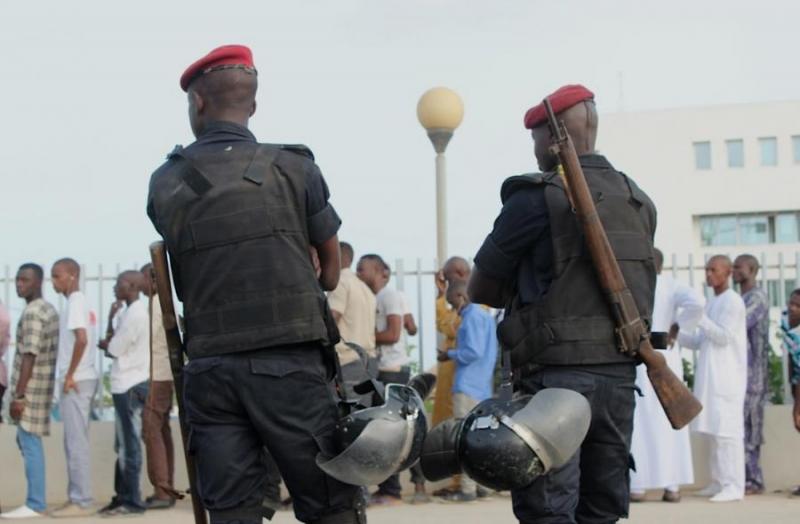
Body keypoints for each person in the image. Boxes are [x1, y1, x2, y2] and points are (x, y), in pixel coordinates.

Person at [147, 45, 363, 524]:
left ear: (198, 103)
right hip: (290, 366)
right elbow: (329, 274)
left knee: (232, 513)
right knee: (331, 505)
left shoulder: (165, 182)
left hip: (211, 369)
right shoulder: (295, 168)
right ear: (253, 106)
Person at [468, 84, 657, 523]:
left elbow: (481, 288)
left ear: (552, 138)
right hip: (618, 378)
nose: (534, 149)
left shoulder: (537, 195)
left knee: (548, 508)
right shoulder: (637, 200)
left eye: (535, 138)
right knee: (602, 509)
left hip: (556, 379)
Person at [629, 249, 704, 503]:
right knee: (672, 418)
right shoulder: (672, 285)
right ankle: (672, 487)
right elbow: (698, 303)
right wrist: (678, 325)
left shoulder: (634, 283)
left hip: (641, 357)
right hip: (666, 357)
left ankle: (638, 486)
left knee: (640, 423)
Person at [356, 254, 425, 505]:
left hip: (391, 370)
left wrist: (363, 334)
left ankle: (392, 490)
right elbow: (411, 327)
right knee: (399, 429)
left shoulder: (389, 296)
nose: (358, 274)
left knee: (389, 430)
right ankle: (412, 485)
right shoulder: (388, 297)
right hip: (388, 369)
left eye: (362, 269)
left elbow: (394, 334)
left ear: (379, 271)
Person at [679, 255, 747, 502]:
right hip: (711, 378)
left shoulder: (733, 302)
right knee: (714, 431)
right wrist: (679, 336)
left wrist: (700, 319)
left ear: (727, 272)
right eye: (706, 269)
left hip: (727, 378)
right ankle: (718, 481)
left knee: (728, 433)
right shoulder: (713, 301)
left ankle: (734, 485)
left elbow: (724, 337)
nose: (708, 274)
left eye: (713, 270)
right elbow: (702, 340)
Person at [1, 264, 59, 520]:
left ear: (38, 282)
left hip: (32, 390)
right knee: (27, 441)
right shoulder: (47, 309)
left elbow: (29, 354)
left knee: (29, 442)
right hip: (42, 386)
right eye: (17, 280)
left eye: (25, 280)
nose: (19, 285)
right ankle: (35, 500)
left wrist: (20, 395)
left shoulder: (34, 313)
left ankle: (35, 502)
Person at [437, 281, 498, 503]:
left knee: (462, 439)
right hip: (482, 386)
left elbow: (472, 351)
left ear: (462, 295)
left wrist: (449, 354)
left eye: (453, 302)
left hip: (467, 385)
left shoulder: (472, 316)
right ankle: (482, 486)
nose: (454, 308)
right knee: (479, 438)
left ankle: (467, 489)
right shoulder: (485, 317)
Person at [96, 271, 151, 516]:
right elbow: (111, 343)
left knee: (130, 447)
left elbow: (113, 349)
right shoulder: (127, 312)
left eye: (118, 283)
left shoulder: (136, 315)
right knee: (123, 445)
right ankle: (122, 497)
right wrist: (110, 318)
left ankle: (132, 501)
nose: (114, 287)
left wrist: (108, 345)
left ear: (131, 286)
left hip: (131, 384)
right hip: (124, 384)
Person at [50, 258, 98, 518]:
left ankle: (81, 500)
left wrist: (69, 375)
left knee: (76, 442)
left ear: (72, 275)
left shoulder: (76, 302)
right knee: (74, 441)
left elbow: (81, 339)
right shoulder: (79, 302)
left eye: (57, 276)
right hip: (82, 377)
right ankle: (77, 497)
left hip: (77, 379)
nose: (54, 282)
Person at [431, 256, 471, 498]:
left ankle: (465, 484)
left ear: (457, 273)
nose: (445, 283)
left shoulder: (474, 304)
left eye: (446, 277)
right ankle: (457, 481)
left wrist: (440, 298)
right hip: (452, 375)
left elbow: (448, 327)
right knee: (449, 426)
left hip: (464, 376)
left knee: (460, 429)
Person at [138, 263, 177, 509]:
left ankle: (163, 490)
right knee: (160, 430)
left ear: (152, 280)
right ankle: (165, 488)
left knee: (151, 429)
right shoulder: (159, 304)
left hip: (158, 375)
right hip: (162, 374)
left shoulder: (156, 306)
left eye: (141, 279)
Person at [732, 254, 770, 495]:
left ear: (753, 270)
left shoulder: (757, 298)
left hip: (754, 374)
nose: (734, 271)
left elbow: (737, 325)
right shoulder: (741, 298)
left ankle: (754, 479)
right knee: (742, 426)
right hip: (740, 373)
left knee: (751, 426)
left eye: (739, 267)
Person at [780, 289, 800, 496]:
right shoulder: (790, 328)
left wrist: (797, 407)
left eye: (797, 306)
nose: (791, 308)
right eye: (790, 304)